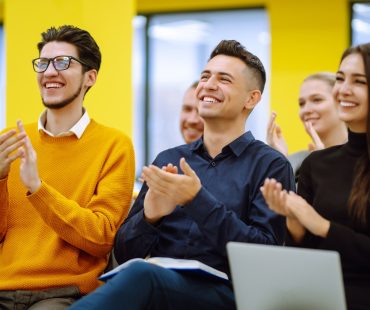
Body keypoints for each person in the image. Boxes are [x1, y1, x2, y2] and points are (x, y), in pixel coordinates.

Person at [69, 40, 295, 310]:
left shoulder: (271, 165)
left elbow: (264, 255)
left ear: (252, 98)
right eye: (205, 77)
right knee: (139, 274)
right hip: (158, 283)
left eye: (224, 79)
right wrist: (150, 216)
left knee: (142, 276)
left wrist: (197, 200)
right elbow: (125, 253)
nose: (208, 85)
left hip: (227, 294)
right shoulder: (168, 159)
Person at [0, 25, 135, 309]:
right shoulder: (9, 141)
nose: (49, 72)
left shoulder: (114, 145)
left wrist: (37, 188)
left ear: (90, 77)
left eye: (63, 63)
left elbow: (101, 237)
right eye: (44, 63)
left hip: (63, 292)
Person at [261, 43, 370, 310]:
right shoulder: (317, 164)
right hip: (317, 296)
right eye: (341, 78)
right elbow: (305, 251)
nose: (343, 90)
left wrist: (321, 225)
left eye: (359, 81)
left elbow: (322, 229)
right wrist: (292, 218)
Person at [266, 72, 347, 177]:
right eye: (302, 103)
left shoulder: (362, 157)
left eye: (317, 100)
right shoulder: (294, 162)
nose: (306, 110)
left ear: (342, 102)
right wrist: (280, 163)